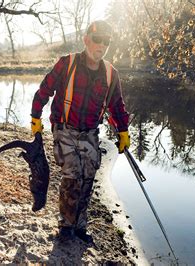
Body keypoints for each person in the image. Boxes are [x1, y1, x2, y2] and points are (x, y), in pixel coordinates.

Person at [30, 20, 130, 242]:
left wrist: (123, 131)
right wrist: (35, 117)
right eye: (97, 40)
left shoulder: (111, 74)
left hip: (90, 133)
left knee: (88, 177)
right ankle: (65, 226)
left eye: (106, 42)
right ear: (86, 40)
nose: (101, 45)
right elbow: (44, 90)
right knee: (73, 175)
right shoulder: (67, 64)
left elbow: (117, 106)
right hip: (64, 128)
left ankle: (80, 226)